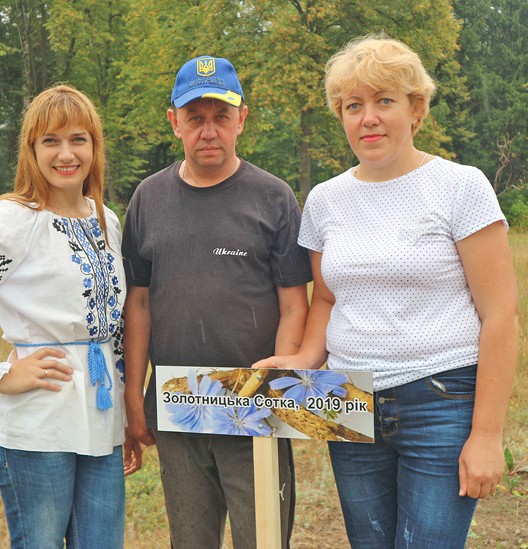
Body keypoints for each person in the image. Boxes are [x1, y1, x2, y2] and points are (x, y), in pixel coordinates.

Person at [254, 36, 519, 548]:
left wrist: (486, 435)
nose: (368, 118)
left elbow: (501, 314)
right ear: (342, 116)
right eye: (354, 106)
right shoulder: (326, 200)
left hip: (441, 401)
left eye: (384, 101)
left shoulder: (461, 187)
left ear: (415, 108)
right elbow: (327, 299)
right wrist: (301, 360)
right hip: (348, 400)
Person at [0, 84, 142, 549]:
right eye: (50, 141)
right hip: (38, 417)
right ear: (31, 150)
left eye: (78, 139)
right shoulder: (16, 219)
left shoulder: (106, 221)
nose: (65, 153)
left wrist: (124, 418)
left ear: (95, 147)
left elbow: (114, 329)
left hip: (99, 415)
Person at [122, 55, 312, 548]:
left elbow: (295, 304)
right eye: (196, 118)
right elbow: (138, 305)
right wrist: (132, 394)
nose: (209, 131)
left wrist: (275, 385)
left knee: (263, 539)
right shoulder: (148, 199)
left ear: (241, 119)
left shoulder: (273, 198)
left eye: (221, 117)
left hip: (253, 403)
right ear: (175, 122)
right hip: (177, 403)